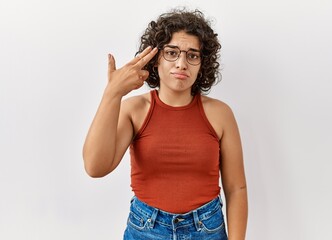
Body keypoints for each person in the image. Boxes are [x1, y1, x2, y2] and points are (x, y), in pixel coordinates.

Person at [83, 8, 248, 240]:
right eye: (172, 52)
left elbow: (236, 189)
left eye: (192, 55)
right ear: (155, 58)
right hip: (145, 229)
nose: (181, 63)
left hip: (207, 230)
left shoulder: (220, 114)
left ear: (202, 63)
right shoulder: (134, 110)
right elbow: (95, 167)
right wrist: (112, 94)